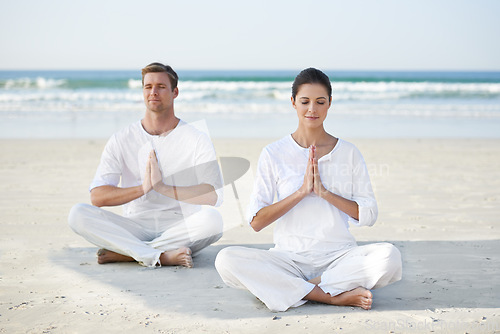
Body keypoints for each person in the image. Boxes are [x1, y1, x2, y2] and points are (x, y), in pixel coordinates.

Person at [215, 68, 402, 312]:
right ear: (293, 103)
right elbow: (256, 221)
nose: (312, 109)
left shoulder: (349, 152)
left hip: (338, 257)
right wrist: (301, 192)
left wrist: (325, 193)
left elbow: (368, 214)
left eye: (320, 102)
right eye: (305, 102)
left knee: (390, 257)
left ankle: (296, 289)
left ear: (329, 104)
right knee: (226, 260)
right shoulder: (273, 153)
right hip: (288, 259)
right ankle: (331, 295)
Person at [69, 62, 223, 268]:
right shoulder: (122, 138)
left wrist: (164, 188)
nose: (153, 92)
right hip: (135, 224)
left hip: (180, 224)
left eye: (161, 86)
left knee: (214, 221)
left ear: (174, 92)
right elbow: (97, 197)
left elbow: (212, 195)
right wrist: (143, 189)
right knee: (77, 214)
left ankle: (131, 253)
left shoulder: (196, 138)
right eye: (148, 87)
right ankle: (161, 256)